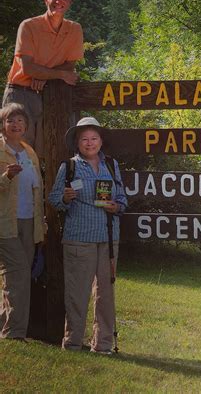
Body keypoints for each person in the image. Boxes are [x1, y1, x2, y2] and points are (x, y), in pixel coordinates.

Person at [48, 117, 127, 354]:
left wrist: (116, 206)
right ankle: (72, 343)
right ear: (77, 142)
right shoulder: (69, 167)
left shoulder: (111, 165)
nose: (89, 143)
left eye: (94, 138)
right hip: (79, 239)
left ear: (101, 141)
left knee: (105, 294)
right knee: (77, 293)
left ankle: (102, 345)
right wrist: (65, 197)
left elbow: (123, 198)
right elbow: (54, 200)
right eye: (84, 139)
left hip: (108, 239)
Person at [2, 0, 83, 157]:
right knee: (15, 151)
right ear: (45, 0)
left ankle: (43, 186)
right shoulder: (29, 26)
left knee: (49, 150)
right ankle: (10, 185)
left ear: (70, 2)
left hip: (50, 92)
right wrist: (59, 74)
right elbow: (28, 68)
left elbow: (70, 64)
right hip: (20, 93)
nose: (58, 1)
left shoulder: (75, 29)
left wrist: (45, 77)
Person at [0, 103, 45, 340]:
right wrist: (6, 176)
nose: (15, 125)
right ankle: (14, 333)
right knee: (17, 272)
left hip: (29, 221)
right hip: (5, 222)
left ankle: (5, 324)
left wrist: (42, 223)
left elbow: (37, 188)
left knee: (19, 275)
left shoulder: (29, 152)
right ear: (3, 125)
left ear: (26, 126)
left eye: (20, 121)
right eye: (10, 120)